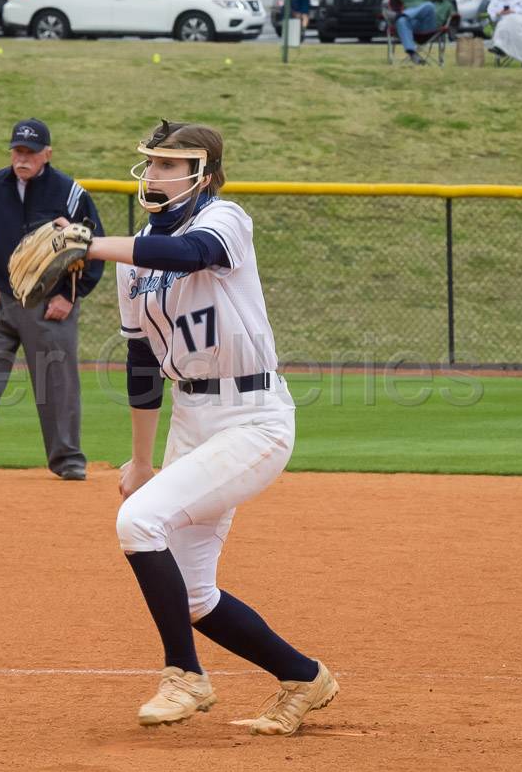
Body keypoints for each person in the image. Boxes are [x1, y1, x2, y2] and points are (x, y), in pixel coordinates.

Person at [78, 120, 337, 734]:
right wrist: (141, 461)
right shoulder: (134, 255)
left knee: (139, 524)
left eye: (173, 164)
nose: (159, 174)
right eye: (154, 163)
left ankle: (185, 677)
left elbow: (194, 255)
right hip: (192, 417)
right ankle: (304, 677)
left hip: (254, 418)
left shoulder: (226, 220)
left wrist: (90, 244)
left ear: (205, 173)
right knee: (193, 594)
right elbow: (141, 360)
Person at [0, 118, 105, 481]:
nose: (22, 157)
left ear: (47, 154)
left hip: (49, 304)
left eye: (30, 151)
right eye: (17, 150)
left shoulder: (69, 193)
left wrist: (70, 297)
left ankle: (67, 459)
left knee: (57, 383)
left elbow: (94, 248)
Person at [369, 0, 455, 65]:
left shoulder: (446, 4)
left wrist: (452, 34)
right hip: (411, 26)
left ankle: (398, 16)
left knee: (429, 7)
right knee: (402, 21)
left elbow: (455, 17)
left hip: (431, 28)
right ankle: (412, 53)